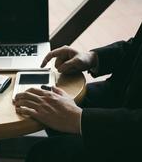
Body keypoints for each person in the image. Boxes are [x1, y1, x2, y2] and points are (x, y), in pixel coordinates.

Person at [14, 23, 142, 162]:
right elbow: (136, 46)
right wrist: (92, 57)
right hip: (121, 93)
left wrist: (79, 118)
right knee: (50, 107)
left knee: (42, 154)